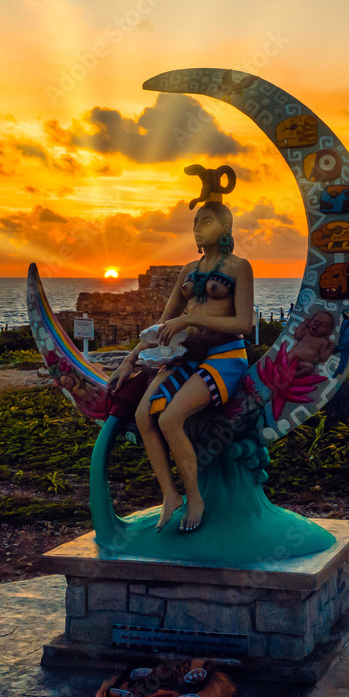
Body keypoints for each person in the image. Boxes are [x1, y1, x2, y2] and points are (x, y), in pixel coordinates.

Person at [108, 200, 254, 534]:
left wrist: (189, 319)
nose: (197, 228)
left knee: (170, 418)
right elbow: (163, 324)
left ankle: (195, 499)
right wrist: (130, 360)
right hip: (185, 355)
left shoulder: (239, 267)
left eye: (206, 221)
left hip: (225, 356)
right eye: (195, 222)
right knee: (144, 415)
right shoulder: (188, 270)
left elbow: (244, 323)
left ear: (226, 228)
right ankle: (170, 495)